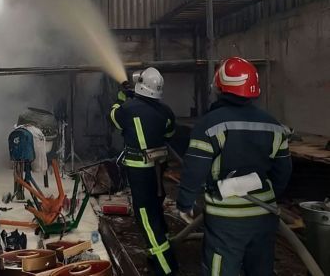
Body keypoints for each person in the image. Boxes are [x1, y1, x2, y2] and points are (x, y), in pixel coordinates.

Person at [176, 57, 292, 276]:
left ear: (220, 87)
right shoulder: (274, 125)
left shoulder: (209, 124)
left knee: (222, 269)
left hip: (226, 219)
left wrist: (185, 203)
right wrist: (268, 195)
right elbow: (283, 171)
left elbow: (194, 170)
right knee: (260, 269)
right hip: (264, 214)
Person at [110, 67, 178, 275]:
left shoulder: (127, 108)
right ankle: (159, 251)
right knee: (156, 210)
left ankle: (166, 268)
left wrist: (121, 99)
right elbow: (170, 133)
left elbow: (114, 117)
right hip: (158, 169)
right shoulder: (166, 111)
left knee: (145, 217)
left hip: (139, 171)